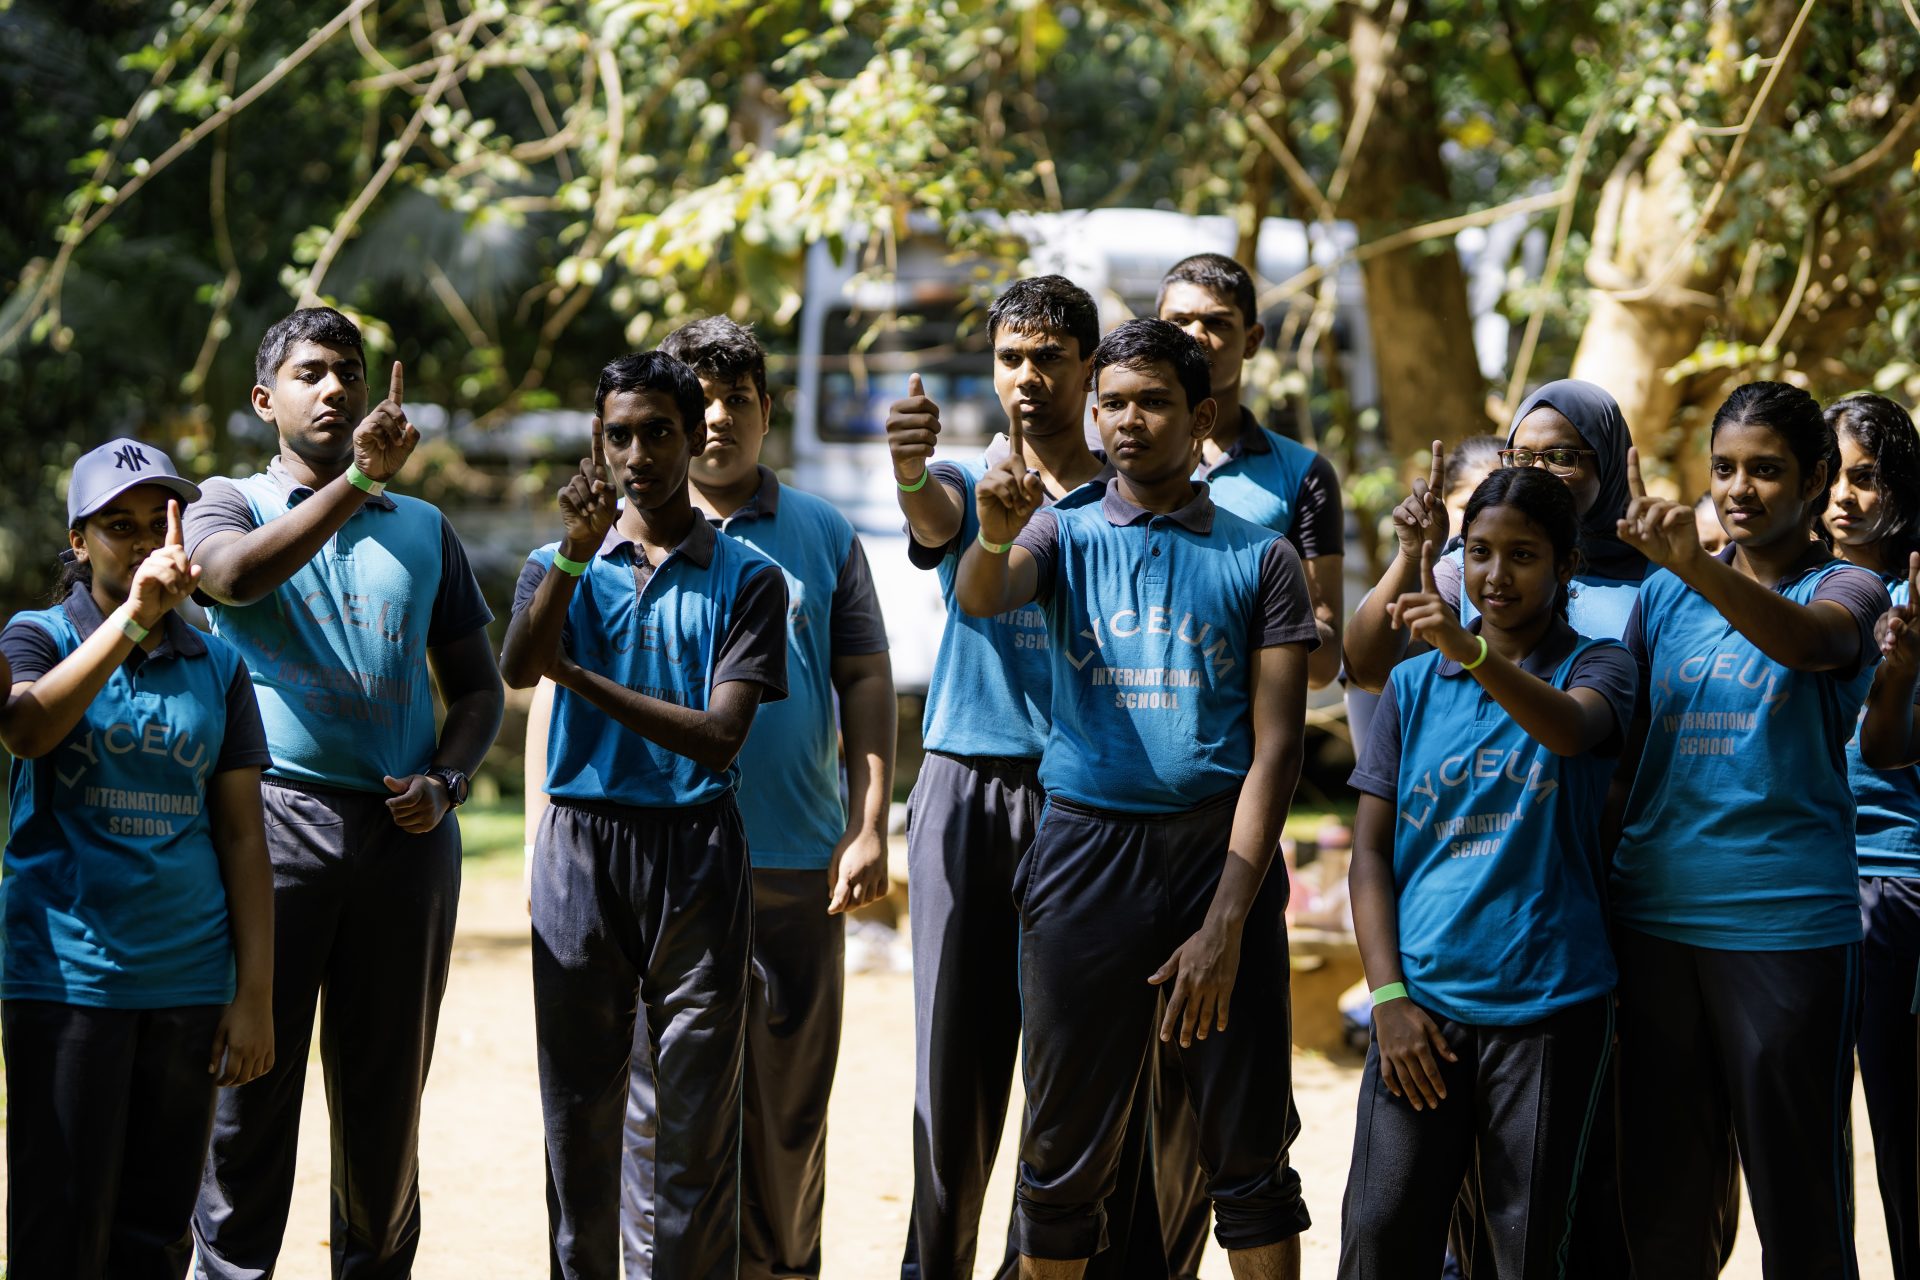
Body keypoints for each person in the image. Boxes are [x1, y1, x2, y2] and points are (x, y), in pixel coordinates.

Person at [955, 318, 1316, 1279]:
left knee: (1247, 1156)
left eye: (1152, 401)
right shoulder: (1058, 531)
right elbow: (985, 597)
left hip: (1219, 860)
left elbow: (1277, 749)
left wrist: (1227, 923)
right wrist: (990, 536)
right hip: (1083, 858)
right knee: (1062, 1155)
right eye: (1111, 401)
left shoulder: (1262, 556)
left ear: (1201, 416)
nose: (1126, 421)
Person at [185, 308, 503, 1280]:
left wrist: (448, 780)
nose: (336, 389)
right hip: (267, 829)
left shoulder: (423, 527)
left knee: (382, 1107)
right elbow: (231, 580)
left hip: (402, 846)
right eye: (312, 372)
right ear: (264, 398)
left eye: (351, 373)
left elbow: (479, 685)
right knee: (245, 1097)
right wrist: (358, 481)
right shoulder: (226, 500)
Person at [613, 316, 895, 1280]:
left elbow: (863, 679)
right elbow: (562, 689)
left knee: (787, 1114)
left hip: (793, 861)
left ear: (769, 413)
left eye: (740, 399)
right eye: (703, 400)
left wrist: (867, 827)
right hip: (663, 861)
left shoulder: (821, 532)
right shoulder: (622, 531)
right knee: (664, 1115)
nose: (721, 418)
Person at [499, 350, 789, 1280]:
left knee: (699, 1125)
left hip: (696, 852)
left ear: (692, 432)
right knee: (577, 1114)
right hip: (580, 847)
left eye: (657, 431)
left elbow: (717, 736)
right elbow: (515, 666)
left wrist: (578, 676)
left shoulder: (749, 577)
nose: (638, 453)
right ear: (598, 439)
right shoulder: (558, 563)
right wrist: (576, 558)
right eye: (618, 434)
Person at [1609, 381, 1890, 1277]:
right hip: (1655, 922)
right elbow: (1625, 756)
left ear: (1815, 479)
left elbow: (1810, 645)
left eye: (1766, 471)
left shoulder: (1850, 585)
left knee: (1797, 1203)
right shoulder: (1661, 599)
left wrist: (1697, 564)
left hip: (1784, 930)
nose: (1738, 489)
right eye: (1724, 468)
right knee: (1664, 1205)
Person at [1337, 467, 1634, 1276]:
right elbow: (1369, 853)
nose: (1496, 576)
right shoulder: (1410, 684)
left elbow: (1572, 732)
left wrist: (1469, 651)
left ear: (1567, 565)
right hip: (1421, 1016)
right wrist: (1389, 998)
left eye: (1524, 555)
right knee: (1378, 1238)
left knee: (1525, 1250)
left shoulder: (1597, 666)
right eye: (1478, 553)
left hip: (1549, 1012)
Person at [886, 275, 1121, 1280]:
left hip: (1079, 803)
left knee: (1062, 1066)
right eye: (1012, 358)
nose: (1029, 377)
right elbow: (938, 521)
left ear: (1089, 369)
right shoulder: (964, 478)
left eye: (1051, 358)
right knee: (951, 1065)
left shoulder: (1123, 496)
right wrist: (904, 469)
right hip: (961, 788)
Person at [0, 440, 275, 1279]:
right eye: (114, 526)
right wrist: (133, 620)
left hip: (187, 981)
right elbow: (28, 728)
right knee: (60, 1227)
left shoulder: (218, 664)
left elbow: (240, 835)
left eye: (156, 521)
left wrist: (254, 995)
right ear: (78, 542)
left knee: (155, 1234)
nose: (139, 541)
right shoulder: (37, 635)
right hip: (68, 978)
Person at [1345, 379, 1648, 694]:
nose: (1537, 473)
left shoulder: (1657, 582)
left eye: (1560, 458)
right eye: (1522, 457)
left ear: (1608, 464)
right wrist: (1411, 555)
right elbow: (1370, 673)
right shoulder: (1467, 570)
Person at [1827, 392, 1920, 1279]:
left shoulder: (1912, 596)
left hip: (1894, 886)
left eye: (1868, 477)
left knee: (1904, 1129)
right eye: (1836, 476)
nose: (1846, 497)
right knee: (1808, 1145)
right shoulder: (1790, 592)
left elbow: (1890, 750)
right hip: (1806, 889)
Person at [1157, 252, 1344, 690]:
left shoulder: (1304, 473)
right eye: (1178, 321)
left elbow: (1323, 662)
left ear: (1254, 339)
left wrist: (1245, 607)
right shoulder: (1112, 458)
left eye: (1217, 322)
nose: (1195, 336)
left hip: (1237, 746)